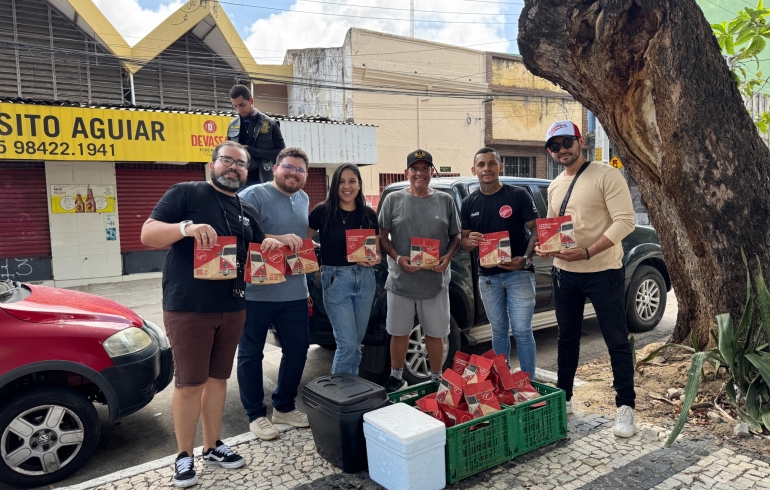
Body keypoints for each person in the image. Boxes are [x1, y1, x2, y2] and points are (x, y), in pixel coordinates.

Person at [141, 141, 282, 487]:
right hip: (189, 306)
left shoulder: (247, 209)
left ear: (247, 171)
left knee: (218, 379)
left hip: (233, 305)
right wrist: (185, 228)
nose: (233, 168)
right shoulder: (186, 193)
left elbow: (258, 248)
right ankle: (183, 456)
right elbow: (147, 233)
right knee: (190, 382)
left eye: (240, 164)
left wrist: (273, 245)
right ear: (213, 163)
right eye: (227, 161)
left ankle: (212, 445)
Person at [535, 120, 637, 438]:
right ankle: (564, 397)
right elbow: (556, 228)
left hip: (603, 271)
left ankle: (625, 407)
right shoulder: (554, 186)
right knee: (567, 339)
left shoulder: (606, 175)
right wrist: (545, 247)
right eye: (554, 146)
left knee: (616, 340)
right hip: (565, 274)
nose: (561, 150)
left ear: (580, 142)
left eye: (566, 142)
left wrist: (589, 252)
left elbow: (625, 222)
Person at [237, 147, 312, 441]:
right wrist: (276, 239)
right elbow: (237, 232)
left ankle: (284, 406)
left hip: (294, 290)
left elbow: (297, 240)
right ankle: (256, 415)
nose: (294, 173)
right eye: (289, 167)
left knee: (297, 350)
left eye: (300, 170)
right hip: (256, 292)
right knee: (250, 353)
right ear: (276, 168)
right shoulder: (253, 195)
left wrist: (306, 248)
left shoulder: (303, 198)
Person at [378, 149, 461, 393]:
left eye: (425, 168)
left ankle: (437, 379)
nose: (420, 173)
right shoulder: (393, 199)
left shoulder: (445, 200)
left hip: (435, 281)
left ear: (431, 172)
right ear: (407, 172)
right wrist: (398, 257)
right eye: (415, 168)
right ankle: (396, 377)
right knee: (398, 332)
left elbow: (456, 236)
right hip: (401, 281)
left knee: (436, 334)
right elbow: (382, 236)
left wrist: (447, 258)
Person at [460, 147, 540, 381]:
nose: (487, 169)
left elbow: (535, 231)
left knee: (523, 331)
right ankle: (503, 382)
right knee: (498, 332)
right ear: (474, 170)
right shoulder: (468, 202)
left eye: (492, 163)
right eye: (481, 165)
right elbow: (464, 240)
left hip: (519, 275)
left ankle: (528, 384)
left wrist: (525, 259)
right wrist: (470, 241)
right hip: (488, 278)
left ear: (500, 167)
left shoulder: (518, 195)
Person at [306, 164, 381, 375]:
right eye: (341, 181)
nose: (346, 186)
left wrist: (374, 258)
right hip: (335, 281)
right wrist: (316, 248)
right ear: (335, 184)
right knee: (346, 345)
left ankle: (350, 392)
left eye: (352, 181)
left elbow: (376, 251)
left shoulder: (368, 214)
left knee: (356, 345)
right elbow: (303, 239)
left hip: (365, 280)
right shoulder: (322, 211)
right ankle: (336, 396)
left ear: (359, 184)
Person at [227, 84, 286, 186]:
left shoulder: (271, 124)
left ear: (251, 101)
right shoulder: (232, 126)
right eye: (235, 106)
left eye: (242, 105)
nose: (239, 110)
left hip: (263, 181)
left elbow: (282, 154)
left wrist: (252, 151)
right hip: (238, 181)